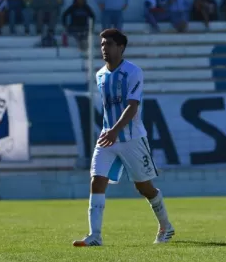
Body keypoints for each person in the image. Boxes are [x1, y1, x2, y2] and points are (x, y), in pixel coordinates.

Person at [72, 29, 174, 247]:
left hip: (132, 138)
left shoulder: (133, 72)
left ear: (121, 47)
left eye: (108, 44)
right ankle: (95, 236)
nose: (104, 48)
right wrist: (110, 131)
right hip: (107, 136)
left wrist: (116, 130)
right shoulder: (100, 75)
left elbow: (132, 106)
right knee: (97, 180)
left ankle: (166, 226)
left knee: (144, 188)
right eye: (101, 44)